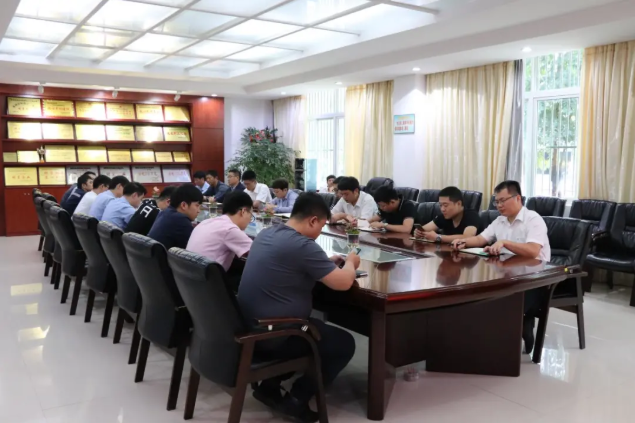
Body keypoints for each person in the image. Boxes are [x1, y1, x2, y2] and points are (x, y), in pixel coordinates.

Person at [238, 193, 360, 422]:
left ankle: (269, 387)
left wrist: (325, 265)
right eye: (321, 226)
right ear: (313, 220)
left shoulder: (268, 233)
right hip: (276, 334)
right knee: (343, 343)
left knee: (315, 327)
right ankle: (296, 399)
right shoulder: (303, 245)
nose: (320, 232)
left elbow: (291, 265)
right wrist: (351, 263)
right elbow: (343, 283)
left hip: (248, 326)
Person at [451, 180, 551, 354]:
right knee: (480, 298)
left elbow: (533, 251)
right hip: (508, 275)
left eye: (503, 200)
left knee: (502, 304)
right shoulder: (499, 220)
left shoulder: (533, 219)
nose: (499, 205)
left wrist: (505, 242)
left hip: (534, 279)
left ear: (518, 198)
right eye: (496, 201)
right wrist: (464, 241)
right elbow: (481, 239)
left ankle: (521, 328)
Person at [187, 191, 253, 291]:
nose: (250, 220)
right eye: (251, 215)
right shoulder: (230, 229)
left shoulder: (206, 222)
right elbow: (259, 253)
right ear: (243, 211)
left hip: (189, 283)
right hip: (208, 287)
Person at [415, 186, 483, 243]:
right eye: (440, 205)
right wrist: (418, 233)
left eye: (445, 205)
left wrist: (438, 237)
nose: (442, 209)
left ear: (458, 203)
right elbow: (424, 229)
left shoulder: (471, 215)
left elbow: (467, 237)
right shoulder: (445, 216)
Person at [147, 183, 202, 250]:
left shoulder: (165, 212)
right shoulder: (181, 221)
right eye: (197, 205)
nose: (199, 211)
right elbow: (195, 249)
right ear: (183, 205)